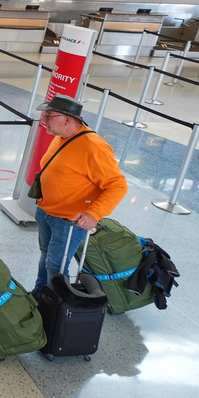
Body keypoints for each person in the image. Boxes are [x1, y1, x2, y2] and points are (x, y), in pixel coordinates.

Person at [32, 95, 127, 296]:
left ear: (67, 119)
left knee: (56, 263)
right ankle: (40, 293)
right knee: (46, 255)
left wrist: (94, 213)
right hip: (46, 210)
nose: (44, 119)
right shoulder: (60, 137)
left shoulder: (93, 146)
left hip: (68, 219)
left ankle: (56, 303)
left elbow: (118, 185)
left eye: (49, 115)